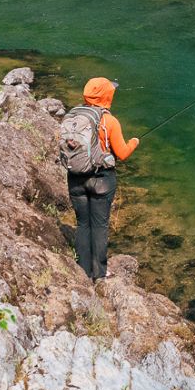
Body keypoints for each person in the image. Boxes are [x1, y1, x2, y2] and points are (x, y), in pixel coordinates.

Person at [63, 77, 138, 281]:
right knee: (99, 225)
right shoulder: (109, 121)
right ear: (106, 96)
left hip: (76, 177)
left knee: (83, 224)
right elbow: (121, 153)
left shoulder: (75, 117)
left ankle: (83, 271)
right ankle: (100, 272)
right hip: (101, 179)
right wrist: (133, 142)